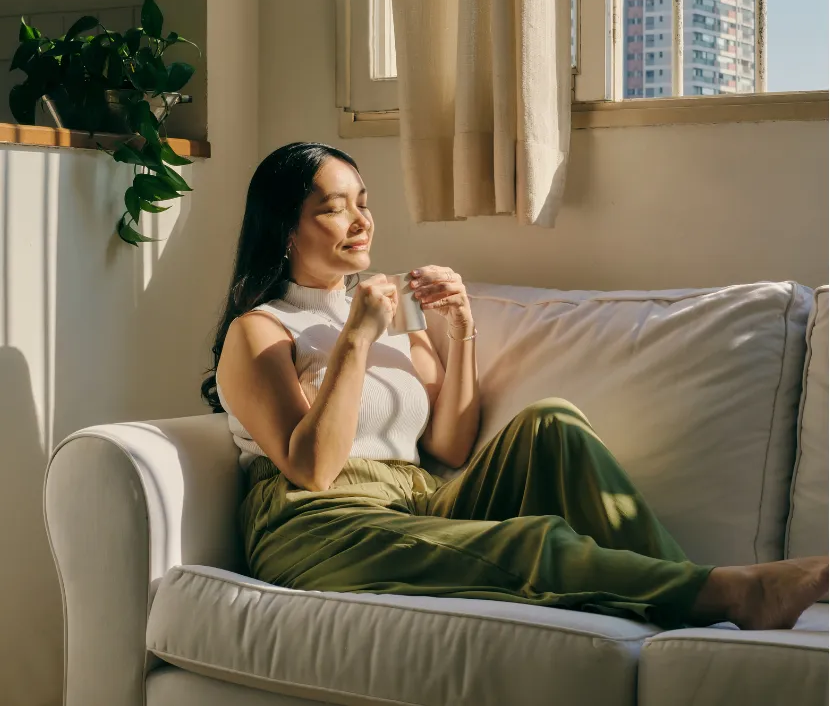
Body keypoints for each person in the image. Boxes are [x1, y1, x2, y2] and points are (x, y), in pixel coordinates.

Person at [203, 141, 827, 630]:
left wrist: (461, 328)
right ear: (286, 229)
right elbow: (312, 469)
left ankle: (692, 594)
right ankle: (732, 594)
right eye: (334, 208)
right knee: (530, 541)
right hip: (316, 524)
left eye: (363, 202)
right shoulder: (259, 331)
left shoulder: (387, 306)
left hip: (415, 500)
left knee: (552, 422)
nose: (361, 220)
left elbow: (448, 447)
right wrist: (355, 341)